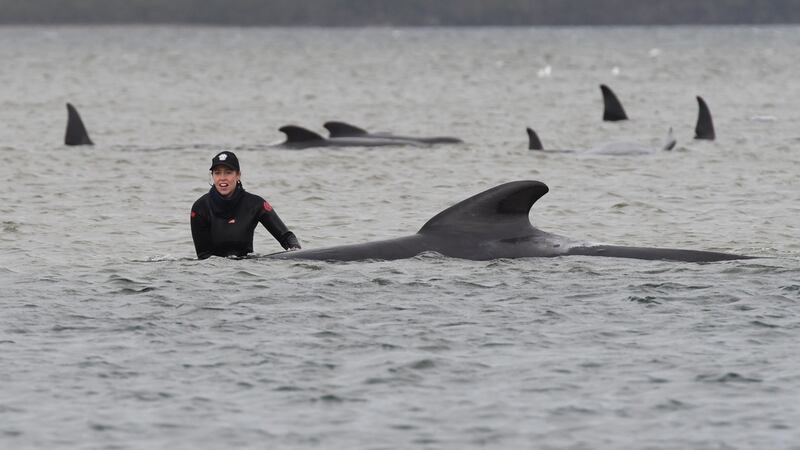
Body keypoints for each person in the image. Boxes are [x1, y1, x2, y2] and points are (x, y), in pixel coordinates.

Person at [191, 150, 301, 259]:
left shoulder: (255, 204)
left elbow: (286, 237)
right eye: (217, 173)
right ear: (212, 176)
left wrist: (297, 253)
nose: (222, 177)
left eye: (228, 172)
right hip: (214, 273)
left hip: (247, 271)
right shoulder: (200, 208)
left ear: (238, 175)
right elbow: (203, 256)